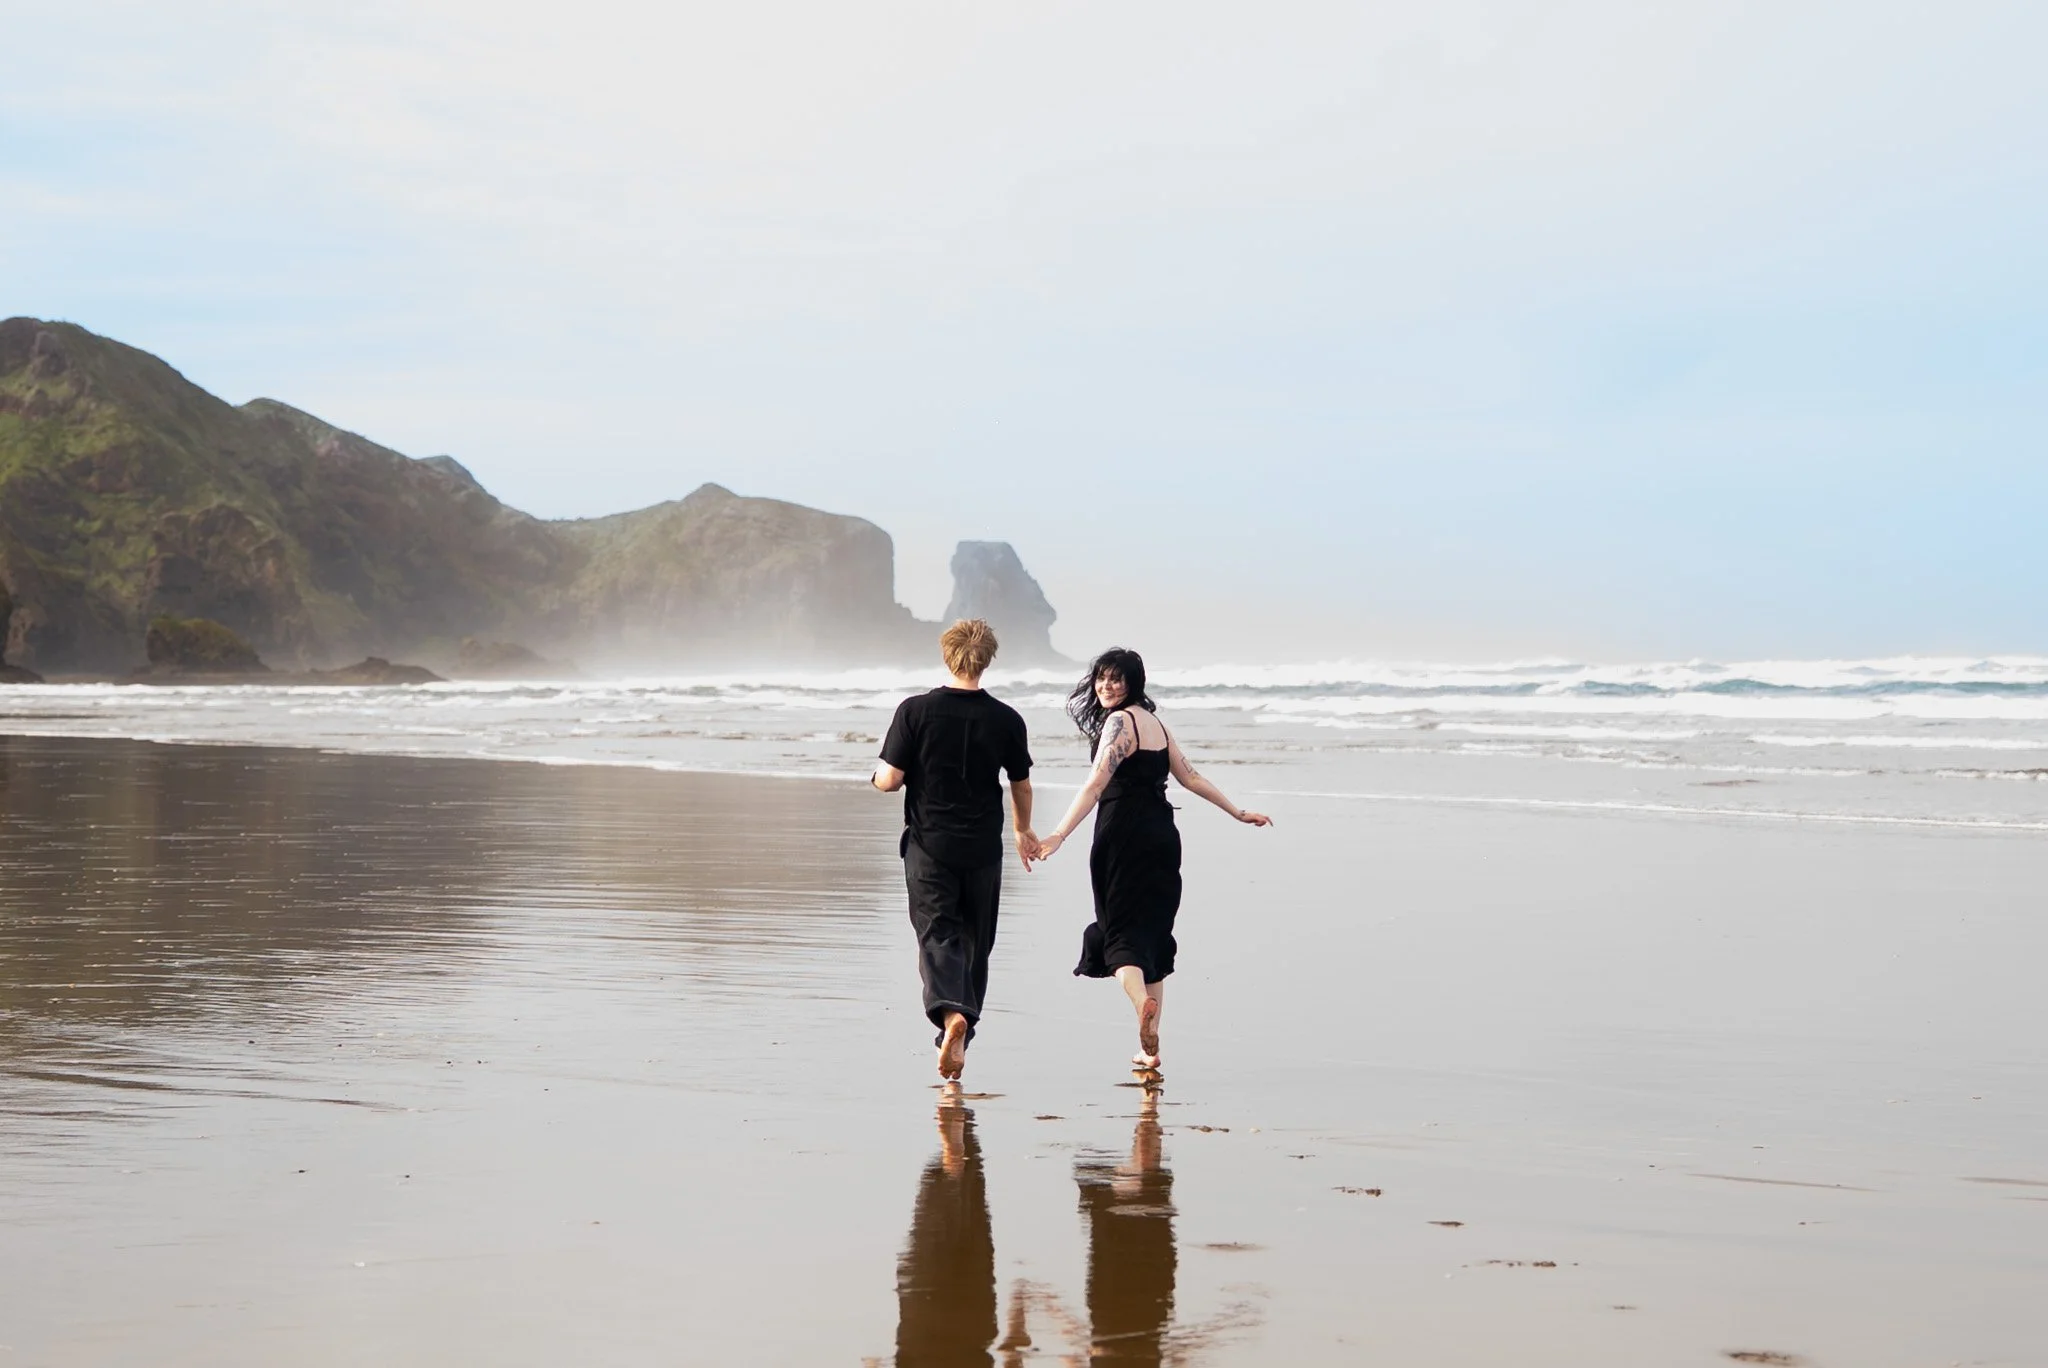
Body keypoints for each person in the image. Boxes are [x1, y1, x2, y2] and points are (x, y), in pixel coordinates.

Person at [1035, 647, 1270, 1071]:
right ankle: (1149, 1049)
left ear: (1133, 684)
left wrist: (1058, 834)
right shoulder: (1156, 724)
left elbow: (1094, 786)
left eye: (1116, 679)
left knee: (1117, 934)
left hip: (1122, 834)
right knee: (1154, 936)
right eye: (1101, 678)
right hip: (1163, 834)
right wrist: (1237, 812)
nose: (1106, 686)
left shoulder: (1120, 722)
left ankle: (1141, 1002)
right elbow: (1190, 777)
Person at [873, 619, 1038, 1081]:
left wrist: (876, 780)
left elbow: (889, 779)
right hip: (984, 847)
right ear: (986, 659)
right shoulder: (1006, 718)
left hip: (930, 845)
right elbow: (1021, 785)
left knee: (937, 934)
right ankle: (962, 1028)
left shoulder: (915, 711)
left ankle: (950, 1018)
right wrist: (1024, 830)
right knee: (976, 942)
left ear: (948, 655)